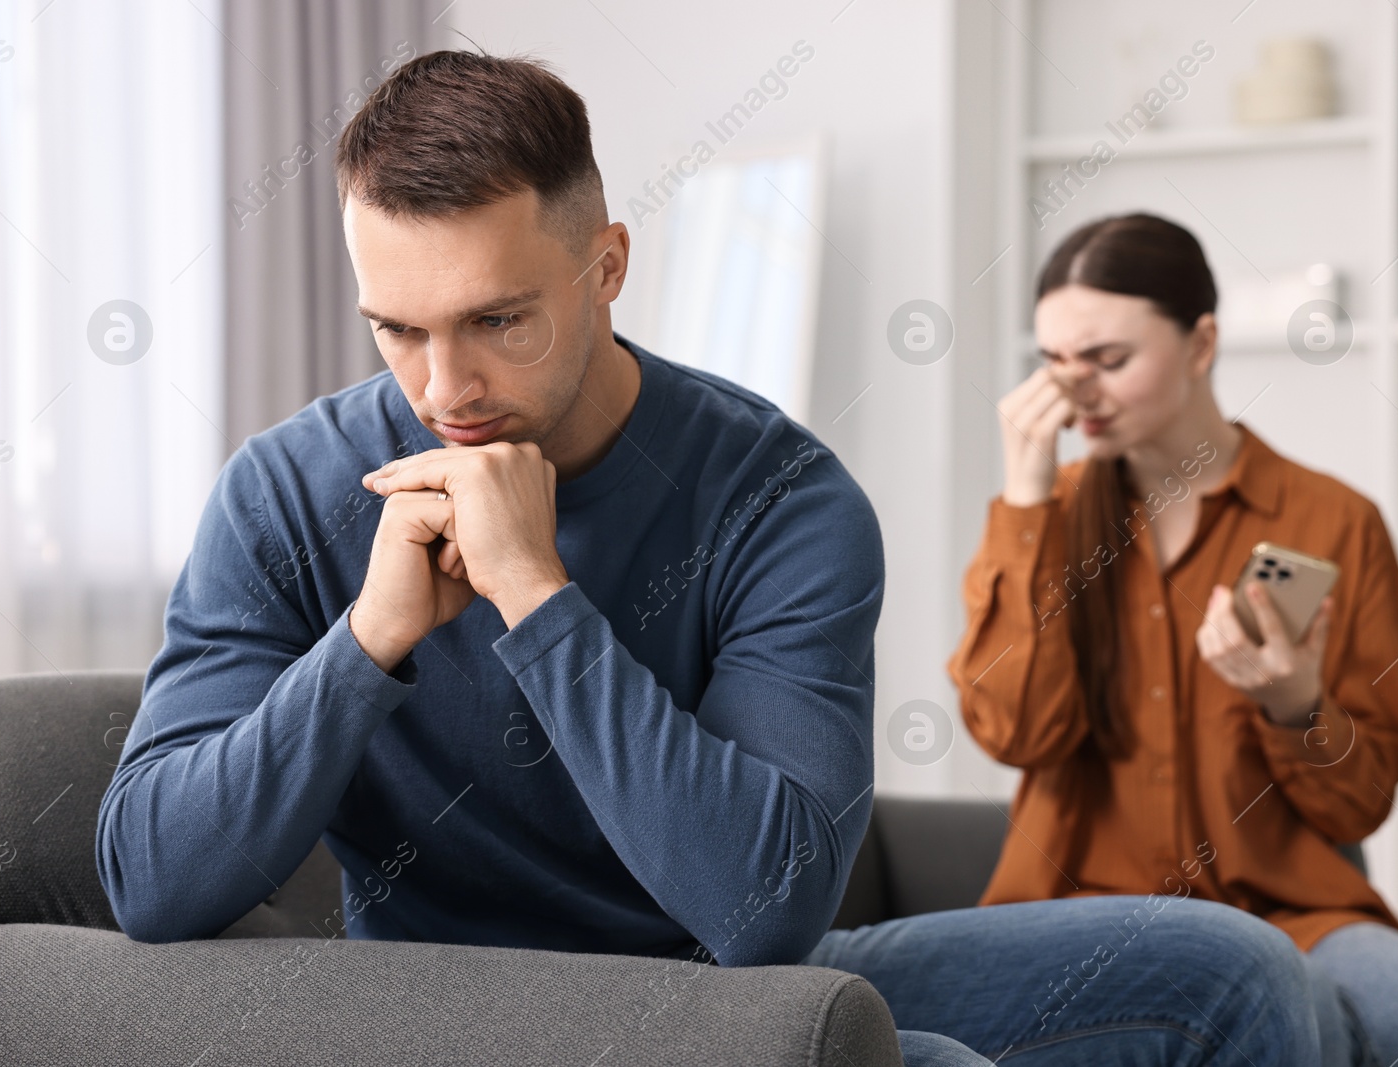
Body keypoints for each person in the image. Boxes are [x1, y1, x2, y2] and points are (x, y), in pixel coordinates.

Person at [96, 54, 1321, 1066]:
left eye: (496, 320)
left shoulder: (780, 497)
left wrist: (535, 592)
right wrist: (368, 641)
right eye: (397, 330)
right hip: (441, 1007)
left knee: (1234, 970)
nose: (442, 388)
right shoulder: (285, 489)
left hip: (719, 991)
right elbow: (149, 879)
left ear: (607, 266)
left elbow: (764, 909)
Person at [949, 212, 1398, 1066]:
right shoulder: (1041, 517)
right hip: (1084, 912)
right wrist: (1025, 501)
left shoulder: (1332, 522)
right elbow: (1014, 732)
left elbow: (1361, 803)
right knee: (1283, 1002)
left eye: (1108, 360)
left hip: (1293, 910)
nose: (1074, 393)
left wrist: (1295, 706)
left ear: (1201, 343)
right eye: (1055, 362)